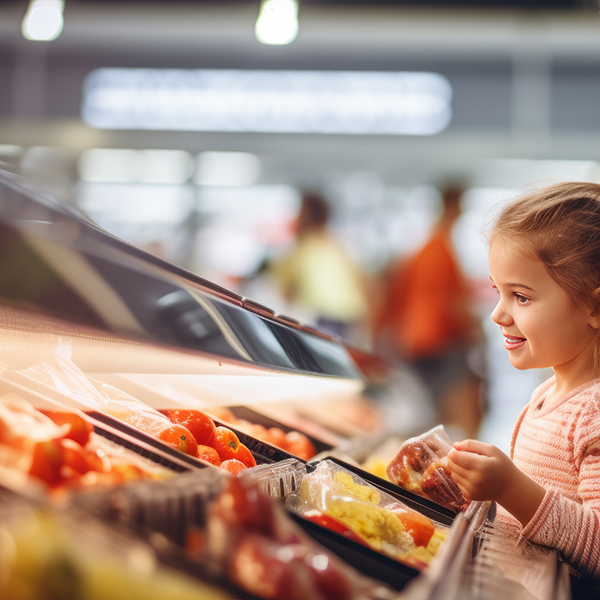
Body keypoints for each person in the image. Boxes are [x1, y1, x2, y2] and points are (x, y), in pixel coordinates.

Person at [447, 181, 600, 592]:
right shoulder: (547, 394)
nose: (498, 314)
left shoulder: (594, 412)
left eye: (522, 297)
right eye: (499, 292)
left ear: (595, 308)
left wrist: (509, 488)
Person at [374, 183, 484, 439]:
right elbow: (451, 304)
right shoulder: (441, 248)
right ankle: (467, 464)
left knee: (429, 412)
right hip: (440, 340)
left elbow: (396, 295)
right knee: (462, 407)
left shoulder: (423, 247)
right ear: (454, 205)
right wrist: (474, 331)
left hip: (414, 342)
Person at [271, 190, 370, 343]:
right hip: (348, 315)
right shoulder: (338, 244)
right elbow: (361, 280)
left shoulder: (304, 247)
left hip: (322, 315)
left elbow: (287, 286)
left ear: (307, 214)